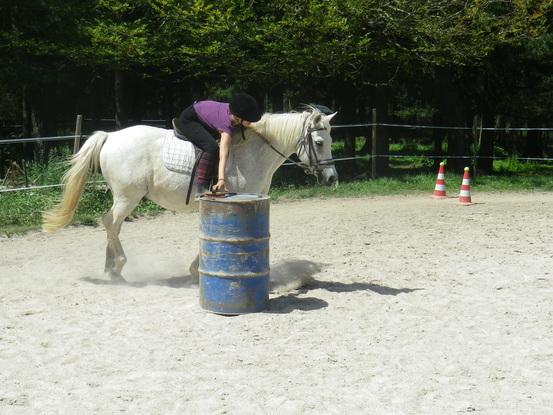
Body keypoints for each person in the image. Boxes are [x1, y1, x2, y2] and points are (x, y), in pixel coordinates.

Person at [173, 93, 262, 196]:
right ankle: (202, 186)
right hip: (190, 120)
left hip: (200, 113)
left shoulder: (234, 112)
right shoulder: (226, 124)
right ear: (238, 118)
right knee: (212, 147)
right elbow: (223, 155)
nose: (251, 122)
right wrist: (221, 179)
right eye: (249, 120)